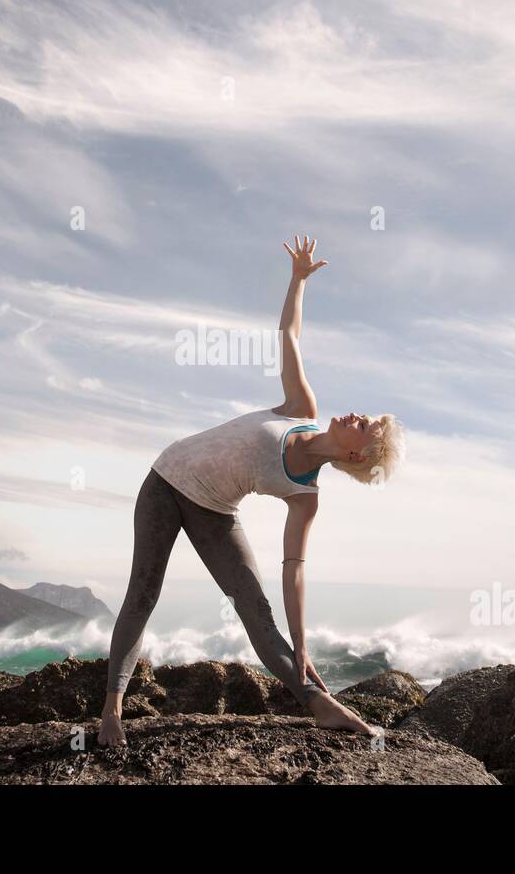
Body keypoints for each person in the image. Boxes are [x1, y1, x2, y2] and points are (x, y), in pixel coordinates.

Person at [98, 235, 406, 746]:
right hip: (164, 481)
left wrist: (303, 645)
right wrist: (297, 281)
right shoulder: (300, 406)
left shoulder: (305, 496)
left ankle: (318, 703)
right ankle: (111, 709)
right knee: (144, 592)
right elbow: (288, 333)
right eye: (366, 415)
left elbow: (295, 574)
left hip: (214, 511)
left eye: (365, 426)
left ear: (356, 456)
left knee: (253, 606)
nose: (358, 414)